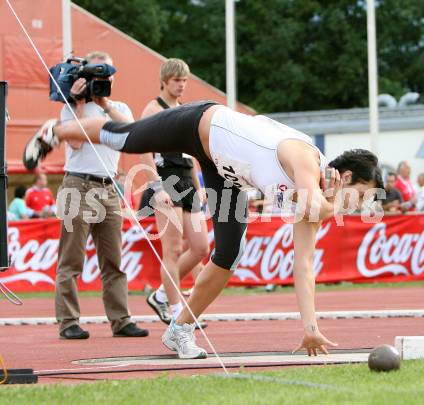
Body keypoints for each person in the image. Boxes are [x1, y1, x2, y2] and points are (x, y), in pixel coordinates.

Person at [23, 101, 384, 358]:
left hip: (225, 172)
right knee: (124, 138)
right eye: (362, 195)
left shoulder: (317, 203)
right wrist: (335, 202)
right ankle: (54, 131)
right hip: (201, 123)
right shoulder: (307, 158)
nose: (358, 206)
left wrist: (310, 329)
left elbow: (303, 266)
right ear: (347, 177)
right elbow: (318, 204)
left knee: (229, 254)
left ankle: (179, 329)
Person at [53, 50, 148, 340]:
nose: (103, 78)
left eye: (107, 73)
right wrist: (80, 103)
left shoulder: (117, 107)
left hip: (108, 187)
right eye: (97, 73)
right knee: (71, 259)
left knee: (114, 260)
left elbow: (130, 133)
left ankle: (121, 320)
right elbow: (74, 142)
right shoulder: (70, 108)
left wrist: (103, 102)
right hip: (77, 185)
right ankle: (68, 321)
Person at [139, 59, 209, 327]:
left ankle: (159, 294)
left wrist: (199, 185)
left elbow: (190, 154)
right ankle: (176, 308)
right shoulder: (153, 109)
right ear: (165, 80)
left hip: (186, 179)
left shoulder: (184, 110)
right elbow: (143, 150)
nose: (181, 85)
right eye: (177, 80)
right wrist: (156, 185)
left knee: (201, 247)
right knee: (172, 248)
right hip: (165, 178)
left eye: (184, 81)